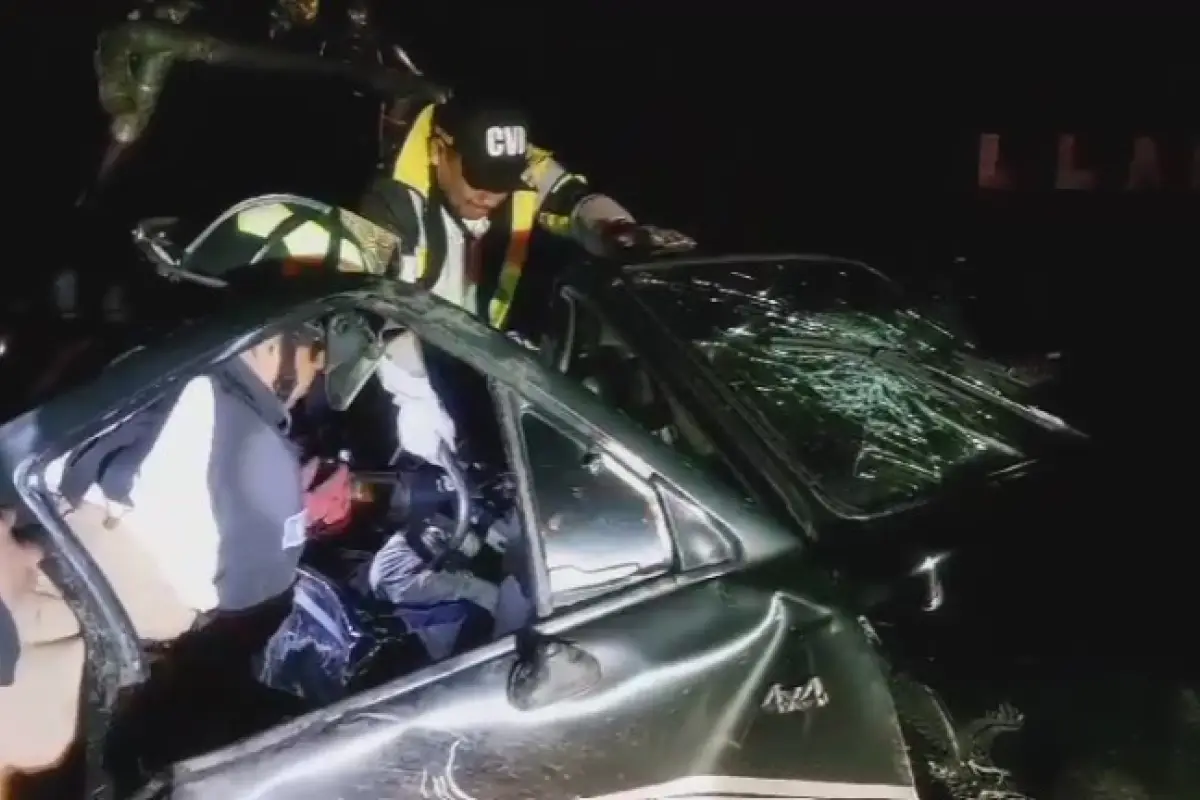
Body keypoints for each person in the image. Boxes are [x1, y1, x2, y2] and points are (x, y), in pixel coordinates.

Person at [357, 93, 696, 332]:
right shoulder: (385, 203)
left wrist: (619, 232)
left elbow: (574, 200)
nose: (491, 195)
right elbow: (363, 299)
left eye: (503, 180)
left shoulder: (522, 166)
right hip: (412, 354)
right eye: (478, 178)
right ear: (437, 151)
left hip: (484, 347)